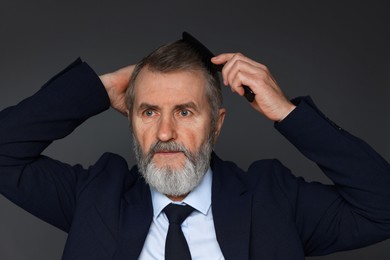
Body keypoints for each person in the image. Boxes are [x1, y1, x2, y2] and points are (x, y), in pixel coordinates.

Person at [0, 37, 389, 260]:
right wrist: (98, 90)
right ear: (132, 120)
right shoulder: (95, 196)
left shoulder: (274, 198)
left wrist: (286, 112)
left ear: (216, 125)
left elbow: (383, 208)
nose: (165, 131)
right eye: (149, 111)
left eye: (185, 111)